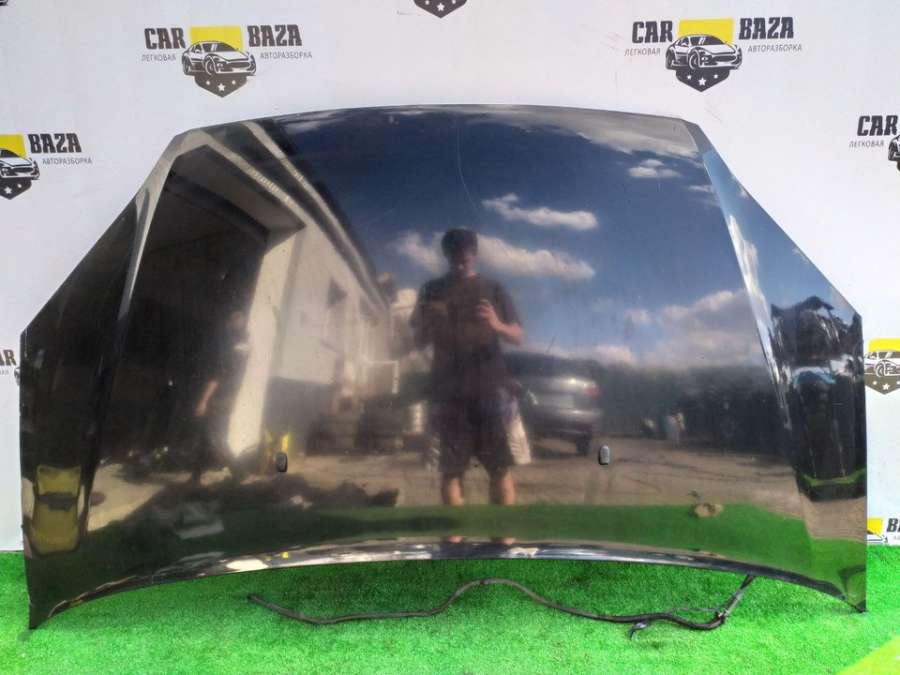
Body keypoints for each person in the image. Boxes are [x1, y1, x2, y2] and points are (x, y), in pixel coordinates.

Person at [411, 228, 524, 507]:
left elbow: (518, 336)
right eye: (454, 256)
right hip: (448, 392)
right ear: (446, 254)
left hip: (489, 389)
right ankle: (455, 532)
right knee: (450, 471)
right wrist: (428, 324)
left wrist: (496, 324)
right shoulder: (431, 289)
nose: (461, 262)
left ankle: (504, 532)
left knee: (499, 467)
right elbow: (418, 340)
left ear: (475, 254)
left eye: (466, 256)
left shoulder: (493, 287)